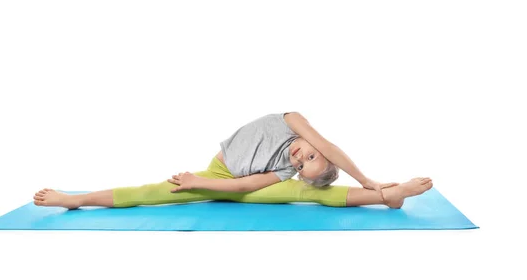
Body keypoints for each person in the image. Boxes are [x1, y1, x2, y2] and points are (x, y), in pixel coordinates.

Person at [33, 112, 433, 210]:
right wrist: (365, 177)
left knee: (311, 193)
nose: (300, 156)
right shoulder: (293, 121)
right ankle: (77, 199)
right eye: (309, 154)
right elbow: (328, 146)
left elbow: (242, 187)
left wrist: (196, 184)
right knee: (150, 191)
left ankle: (390, 197)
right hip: (220, 171)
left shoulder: (285, 172)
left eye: (304, 163)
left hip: (232, 184)